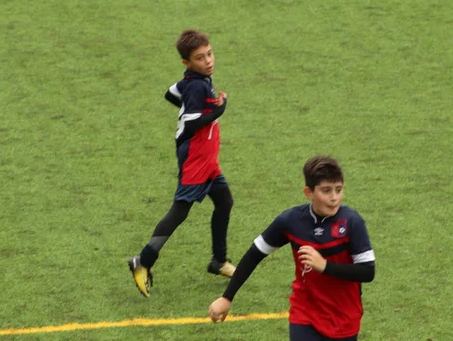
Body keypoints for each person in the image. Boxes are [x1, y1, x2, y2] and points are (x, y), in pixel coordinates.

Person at [208, 156, 376, 341]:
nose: (334, 198)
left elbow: (367, 272)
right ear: (309, 192)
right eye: (326, 191)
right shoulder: (291, 221)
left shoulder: (352, 222)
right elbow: (254, 255)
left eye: (338, 190)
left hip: (343, 318)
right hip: (305, 312)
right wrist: (227, 297)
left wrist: (324, 266)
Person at [128, 29, 236, 298]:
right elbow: (191, 122)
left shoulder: (193, 80)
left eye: (209, 53)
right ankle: (143, 261)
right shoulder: (198, 85)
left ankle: (218, 261)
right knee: (180, 210)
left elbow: (170, 92)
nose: (208, 60)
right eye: (200, 58)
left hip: (207, 156)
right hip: (197, 156)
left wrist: (192, 101)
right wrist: (220, 108)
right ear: (186, 63)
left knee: (224, 201)